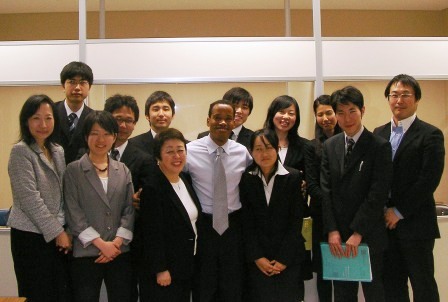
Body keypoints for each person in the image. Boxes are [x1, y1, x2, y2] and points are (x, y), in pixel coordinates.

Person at [374, 74, 445, 302]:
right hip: (385, 226)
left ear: (416, 99)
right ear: (388, 99)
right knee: (392, 286)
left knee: (422, 284)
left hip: (416, 225)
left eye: (406, 95)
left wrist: (399, 211)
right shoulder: (379, 133)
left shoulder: (430, 134)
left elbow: (428, 180)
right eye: (394, 95)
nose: (399, 100)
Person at [321, 86, 393, 302]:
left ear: (362, 110)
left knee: (374, 292)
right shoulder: (330, 145)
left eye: (352, 110)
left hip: (368, 234)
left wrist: (358, 232)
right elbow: (326, 190)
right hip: (338, 238)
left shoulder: (379, 146)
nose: (347, 118)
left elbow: (378, 193)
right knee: (342, 294)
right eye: (340, 112)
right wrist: (332, 229)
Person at [63, 111, 135, 302]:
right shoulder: (73, 170)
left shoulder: (123, 170)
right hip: (86, 253)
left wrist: (116, 244)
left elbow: (129, 210)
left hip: (119, 252)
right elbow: (74, 214)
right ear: (86, 137)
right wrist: (102, 245)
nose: (100, 139)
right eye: (95, 133)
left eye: (107, 134)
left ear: (114, 137)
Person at [185, 100, 252, 302]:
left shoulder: (243, 153)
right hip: (203, 226)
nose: (222, 122)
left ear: (234, 123)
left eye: (228, 119)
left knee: (232, 285)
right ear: (208, 120)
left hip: (234, 226)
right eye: (217, 118)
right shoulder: (189, 151)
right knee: (204, 284)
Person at [7, 94, 71, 302]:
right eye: (36, 118)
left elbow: (63, 193)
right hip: (31, 236)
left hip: (58, 234)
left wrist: (64, 229)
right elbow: (30, 199)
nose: (43, 124)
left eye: (48, 118)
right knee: (36, 292)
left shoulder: (57, 150)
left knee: (59, 292)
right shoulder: (21, 152)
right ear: (26, 121)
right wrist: (57, 232)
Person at [239, 128, 306, 302]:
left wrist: (284, 259)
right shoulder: (246, 179)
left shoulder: (294, 177)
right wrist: (257, 257)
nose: (264, 153)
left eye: (268, 147)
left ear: (277, 148)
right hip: (258, 259)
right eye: (258, 149)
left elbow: (295, 221)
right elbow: (246, 222)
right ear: (251, 152)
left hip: (288, 257)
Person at [140, 128, 201, 302]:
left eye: (180, 150)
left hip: (186, 263)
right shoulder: (152, 187)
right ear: (158, 156)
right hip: (165, 270)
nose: (177, 156)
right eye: (169, 151)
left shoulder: (185, 179)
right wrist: (161, 269)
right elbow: (151, 233)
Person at [104, 94, 153, 302]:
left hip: (128, 244)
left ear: (135, 124)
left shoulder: (144, 159)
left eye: (129, 120)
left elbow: (142, 199)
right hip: (92, 242)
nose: (123, 125)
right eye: (117, 119)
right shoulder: (88, 153)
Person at [263, 94, 311, 300]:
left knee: (291, 284)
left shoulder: (305, 147)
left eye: (291, 113)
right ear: (272, 114)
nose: (285, 117)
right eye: (281, 111)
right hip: (263, 222)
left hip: (294, 221)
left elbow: (310, 182)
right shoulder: (258, 142)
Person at [304, 95, 341, 302]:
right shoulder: (311, 146)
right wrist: (331, 204)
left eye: (329, 112)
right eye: (320, 114)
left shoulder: (350, 141)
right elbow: (312, 185)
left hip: (347, 216)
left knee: (347, 268)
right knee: (324, 270)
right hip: (321, 216)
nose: (325, 118)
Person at [54, 61, 94, 164]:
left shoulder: (94, 118)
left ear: (89, 87)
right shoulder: (51, 112)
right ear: (63, 85)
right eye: (72, 82)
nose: (77, 88)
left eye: (82, 83)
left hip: (83, 176)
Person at [130, 91, 175, 156]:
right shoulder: (133, 145)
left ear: (173, 115)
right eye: (156, 109)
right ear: (147, 116)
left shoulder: (184, 145)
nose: (161, 114)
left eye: (165, 109)